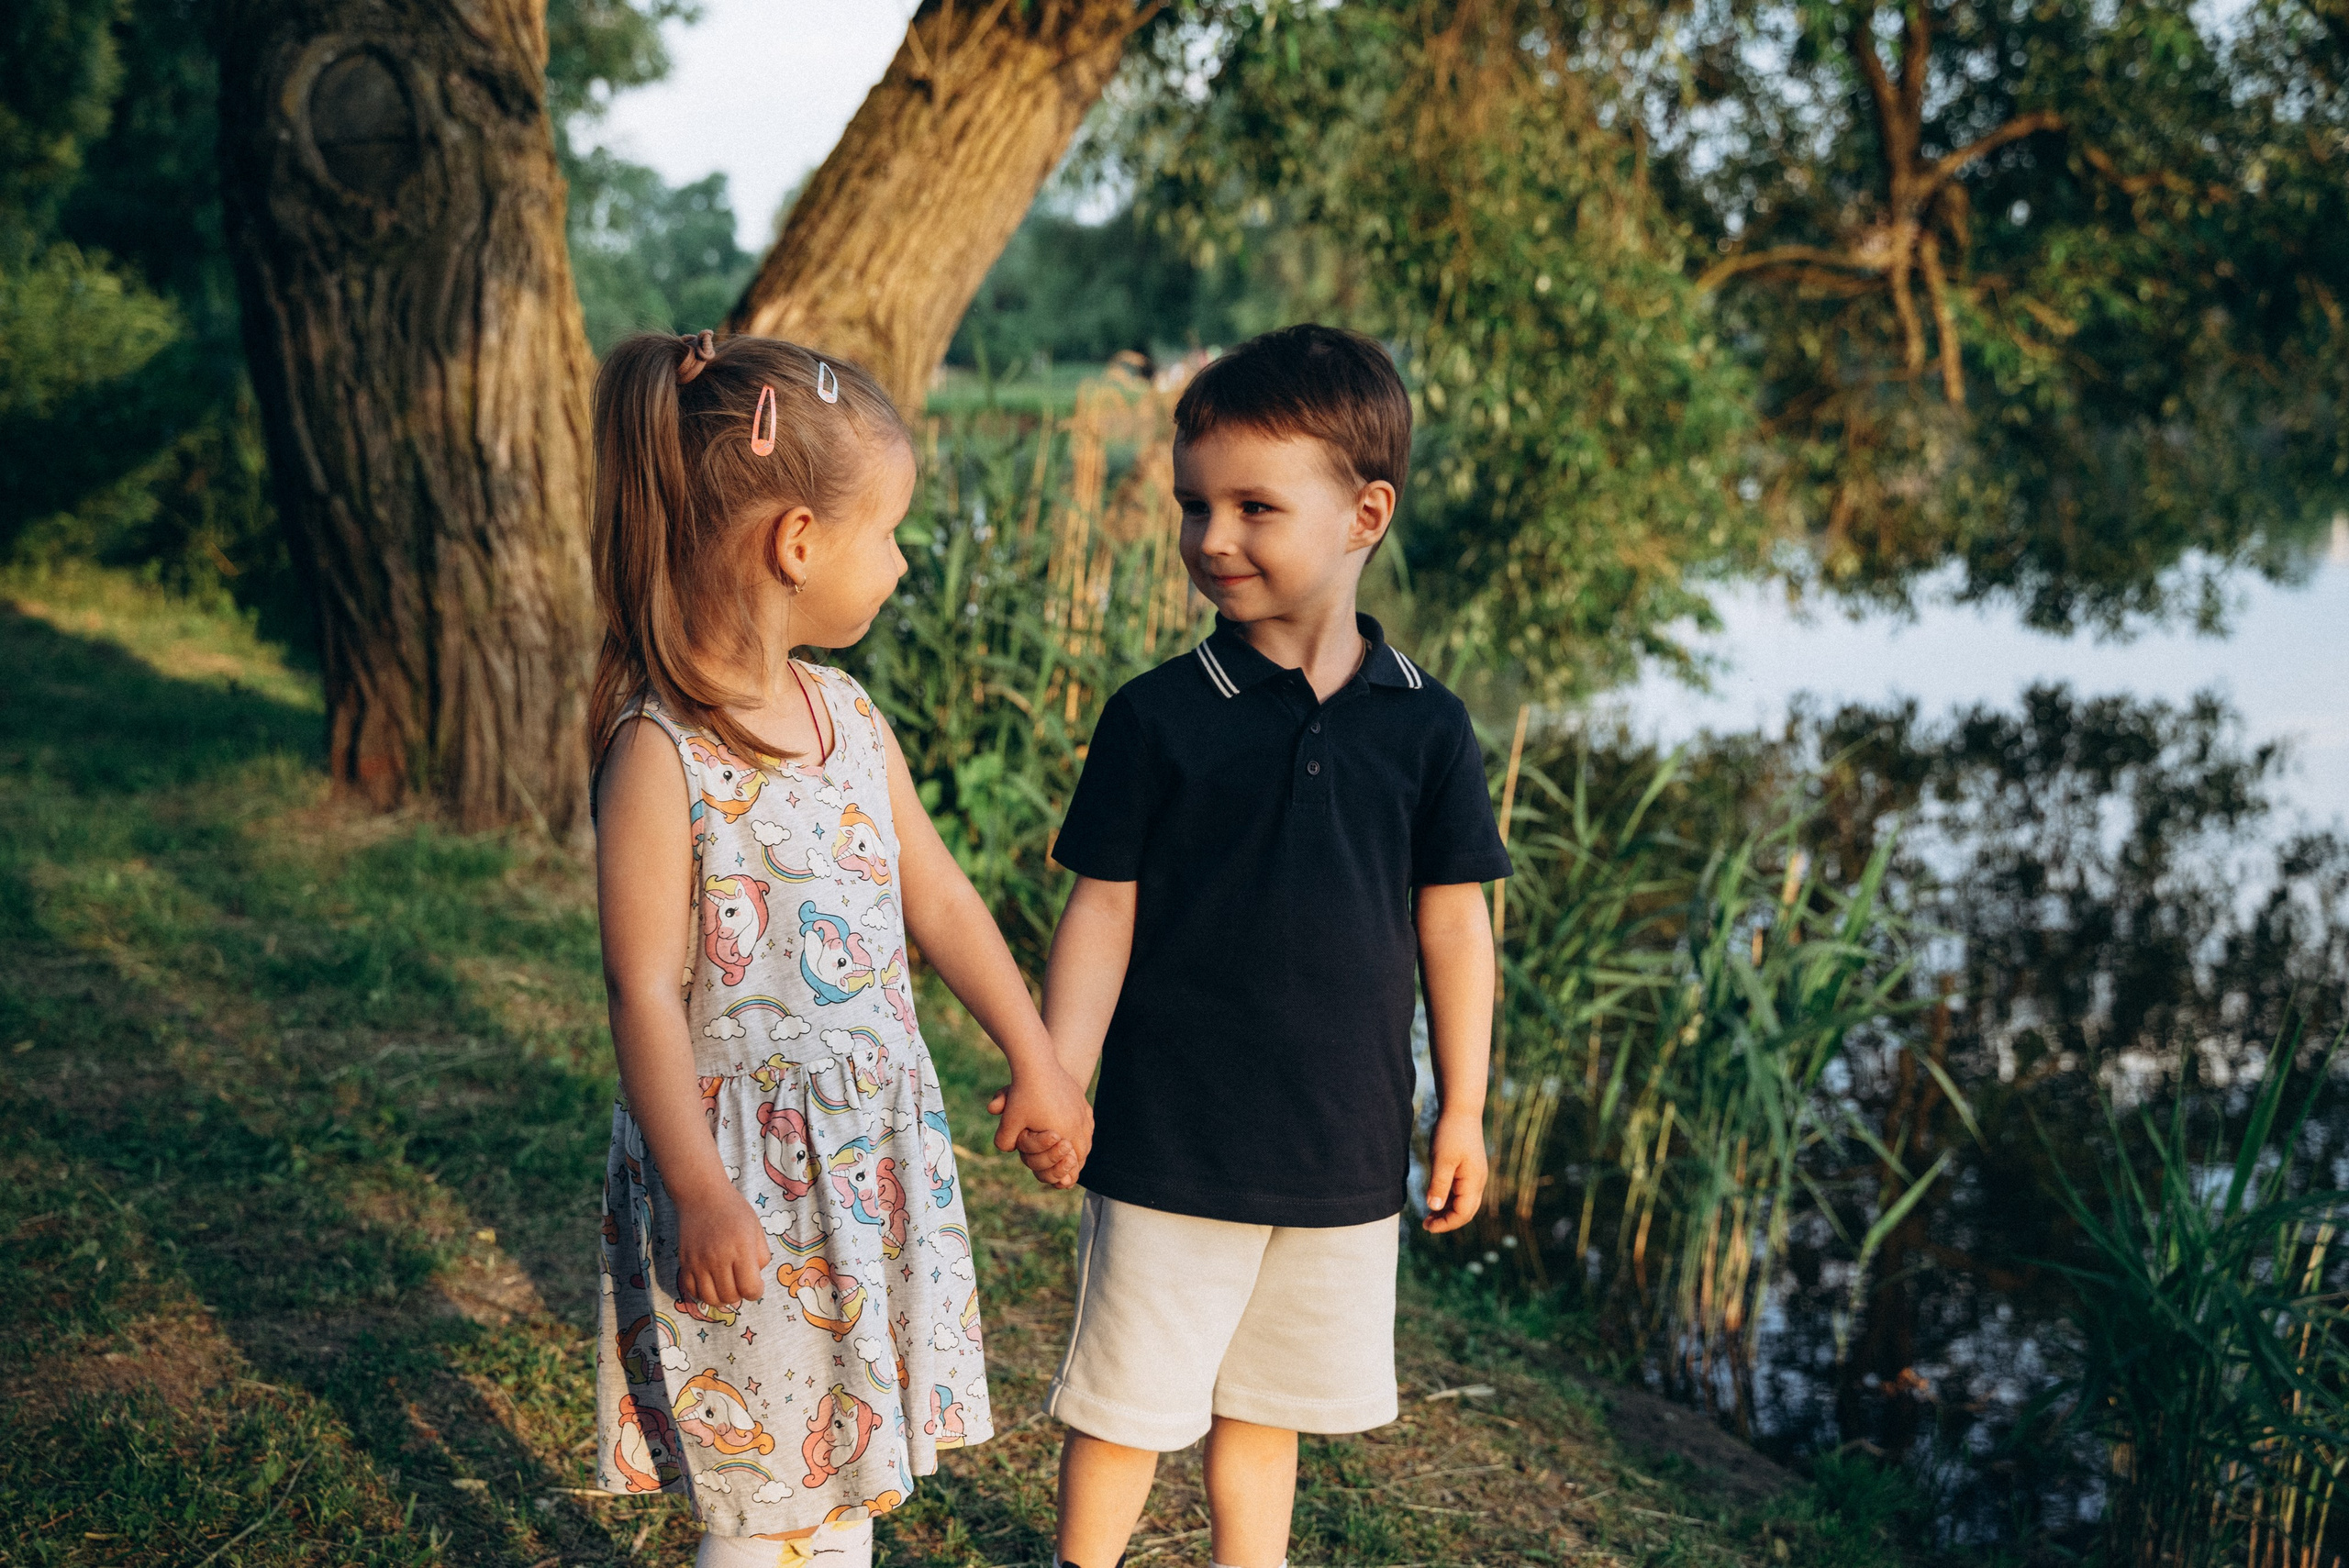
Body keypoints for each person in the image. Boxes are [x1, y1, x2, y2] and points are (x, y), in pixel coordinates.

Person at [586, 330, 1092, 1568]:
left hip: (865, 1167)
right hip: (747, 1183)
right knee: (762, 1499)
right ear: (797, 543)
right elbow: (642, 988)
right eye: (891, 534)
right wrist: (699, 1187)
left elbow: (949, 903)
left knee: (843, 1478)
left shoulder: (851, 719)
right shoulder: (663, 752)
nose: (907, 559)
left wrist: (1035, 1050)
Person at [1037, 324, 1512, 1568]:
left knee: (1268, 1409)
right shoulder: (1158, 716)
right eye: (1196, 505)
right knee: (1128, 1402)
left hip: (1341, 1146)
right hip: (1170, 1140)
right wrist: (1059, 1073)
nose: (1212, 538)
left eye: (1255, 505)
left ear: (1365, 512)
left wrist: (1460, 1107)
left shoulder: (1427, 725)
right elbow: (1104, 905)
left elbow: (1455, 919)